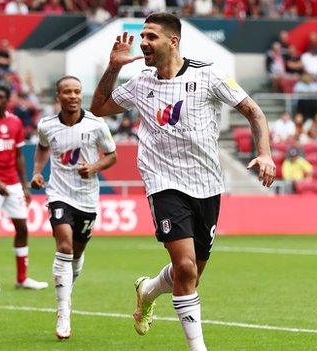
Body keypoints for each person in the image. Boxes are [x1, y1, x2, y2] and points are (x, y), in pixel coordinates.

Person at [89, 13, 275, 351]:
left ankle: (148, 290)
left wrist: (264, 154)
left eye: (151, 37)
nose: (143, 43)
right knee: (185, 268)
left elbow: (254, 112)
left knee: (189, 274)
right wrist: (113, 67)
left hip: (206, 184)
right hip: (163, 182)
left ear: (173, 41)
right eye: (142, 36)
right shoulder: (141, 82)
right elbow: (99, 107)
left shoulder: (208, 74)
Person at [31, 76, 117, 340]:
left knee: (76, 254)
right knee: (65, 246)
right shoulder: (46, 125)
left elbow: (112, 155)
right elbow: (42, 148)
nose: (72, 96)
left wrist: (93, 168)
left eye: (77, 92)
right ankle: (63, 311)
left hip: (87, 199)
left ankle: (67, 284)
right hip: (59, 194)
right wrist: (36, 172)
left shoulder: (96, 125)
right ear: (58, 96)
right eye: (67, 92)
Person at [0, 85, 48, 293]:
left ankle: (22, 278)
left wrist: (24, 185)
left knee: (22, 228)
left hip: (13, 184)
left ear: (7, 101)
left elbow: (18, 157)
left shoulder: (15, 122)